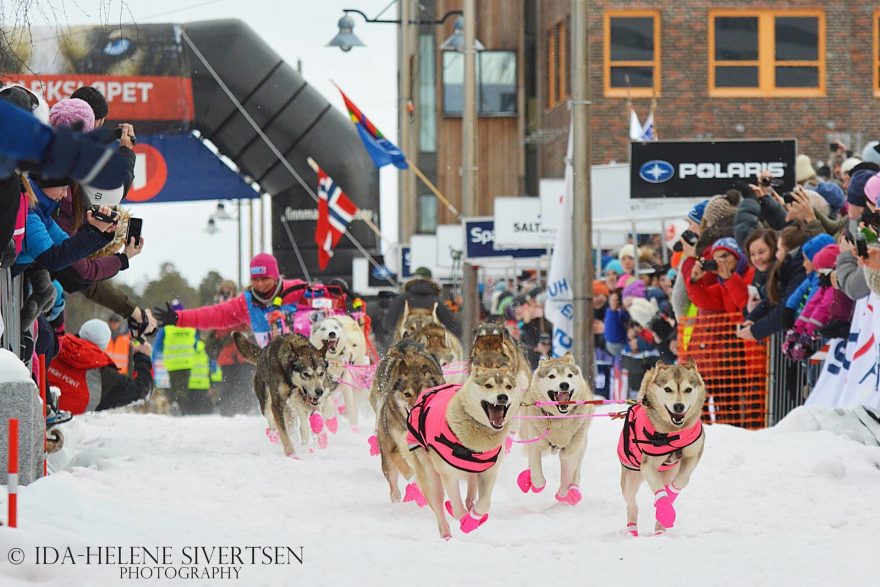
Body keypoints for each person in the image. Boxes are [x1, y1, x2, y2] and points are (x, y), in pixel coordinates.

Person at [153, 253, 307, 347]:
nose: (260, 284)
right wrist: (179, 318)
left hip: (307, 358)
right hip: (274, 364)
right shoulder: (247, 303)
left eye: (264, 279)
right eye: (255, 279)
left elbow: (325, 299)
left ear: (275, 277)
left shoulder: (295, 291)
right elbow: (215, 314)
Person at [47, 319, 153, 414]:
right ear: (105, 345)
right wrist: (143, 357)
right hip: (70, 429)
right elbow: (141, 392)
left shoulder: (50, 345)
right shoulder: (106, 377)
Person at [203, 280, 257, 416]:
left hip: (242, 355)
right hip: (227, 357)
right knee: (228, 385)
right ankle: (227, 412)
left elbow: (248, 325)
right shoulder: (217, 309)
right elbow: (214, 333)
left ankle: (246, 411)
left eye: (229, 290)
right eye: (224, 290)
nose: (226, 293)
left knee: (244, 384)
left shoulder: (241, 305)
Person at [153, 300, 199, 415]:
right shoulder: (190, 325)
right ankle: (182, 409)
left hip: (172, 363)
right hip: (187, 362)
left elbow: (158, 345)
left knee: (174, 387)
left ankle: (175, 406)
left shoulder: (166, 327)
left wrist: (157, 356)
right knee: (184, 388)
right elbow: (196, 343)